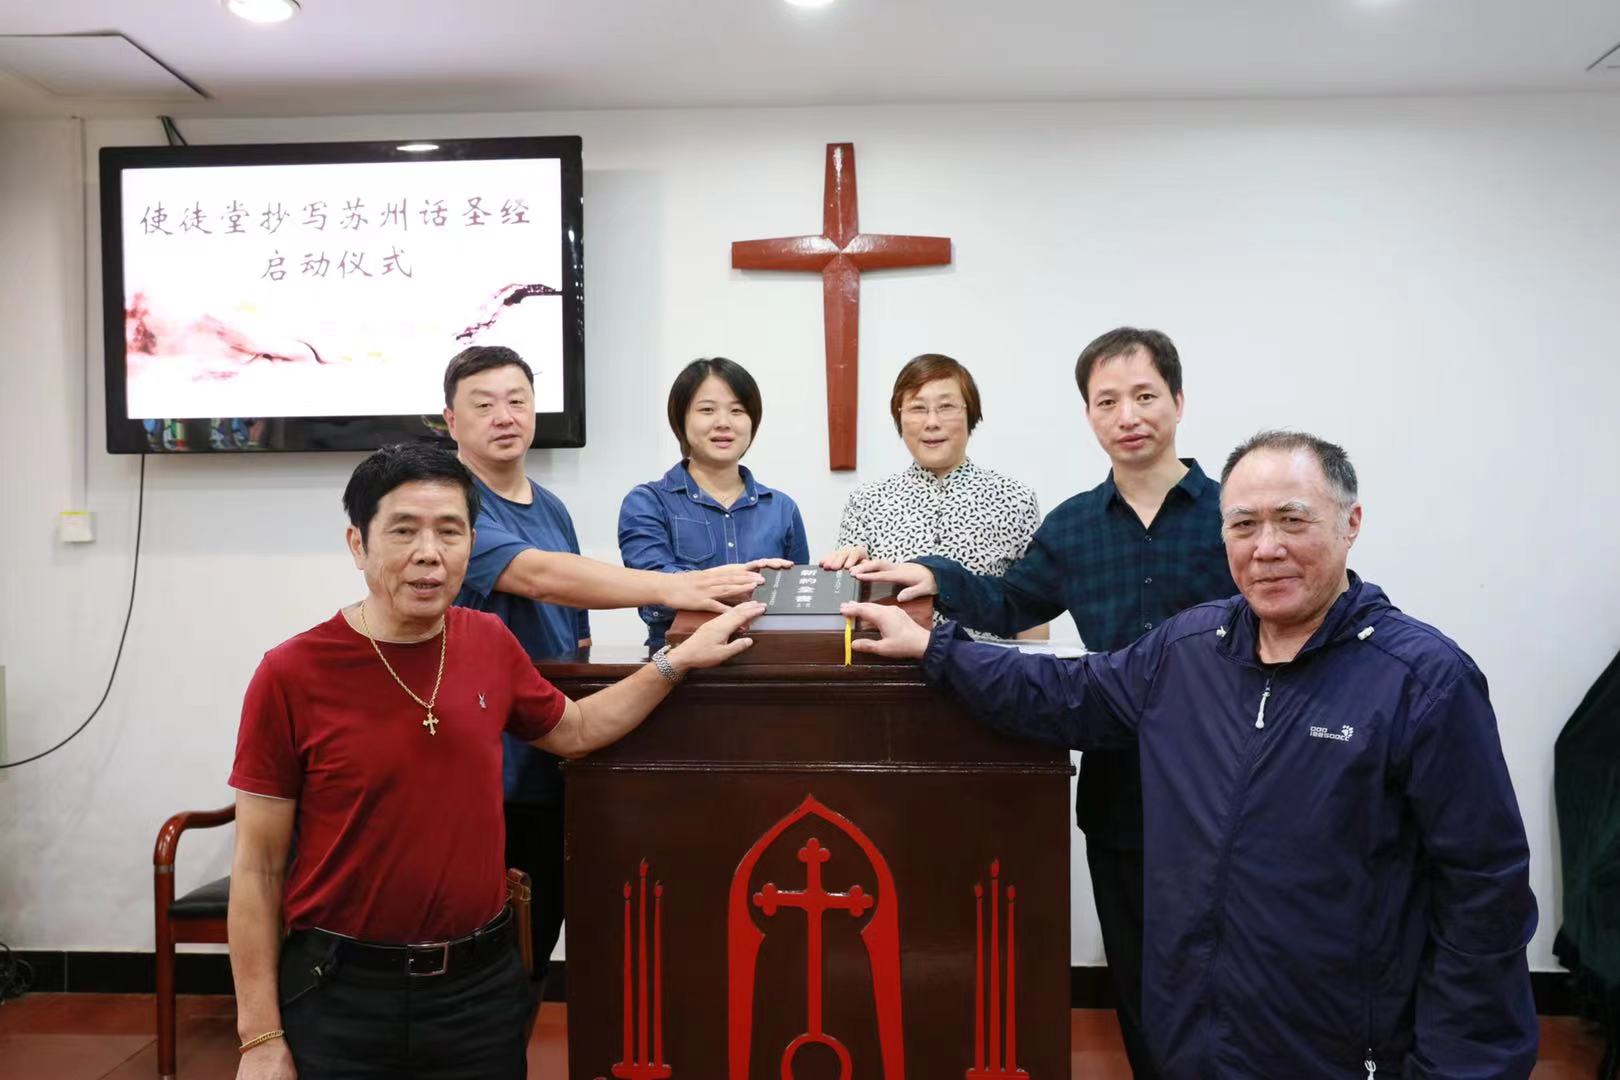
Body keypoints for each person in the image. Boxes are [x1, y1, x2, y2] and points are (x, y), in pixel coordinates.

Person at [847, 431, 1538, 1080]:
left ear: (1350, 523)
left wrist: (1456, 1066)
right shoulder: (1186, 652)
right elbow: (1063, 691)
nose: (1266, 547)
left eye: (1293, 521)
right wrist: (936, 649)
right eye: (1243, 525)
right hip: (1199, 1038)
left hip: (1339, 1049)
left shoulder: (1422, 680)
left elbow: (1484, 891)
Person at [227, 442, 764, 1080]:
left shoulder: (486, 641)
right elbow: (258, 869)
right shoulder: (292, 673)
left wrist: (675, 662)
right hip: (342, 989)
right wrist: (259, 1036)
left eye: (449, 531)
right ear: (357, 544)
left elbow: (577, 728)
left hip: (478, 990)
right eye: (404, 531)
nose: (429, 552)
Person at [855, 327, 1232, 1076]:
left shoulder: (1232, 515)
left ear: (1179, 402)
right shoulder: (1069, 527)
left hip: (1228, 779)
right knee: (1138, 976)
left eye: (1145, 396)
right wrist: (935, 577)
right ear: (1089, 415)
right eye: (1107, 401)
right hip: (1121, 780)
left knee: (1233, 972)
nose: (1128, 415)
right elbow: (1009, 600)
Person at [441, 344, 772, 994]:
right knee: (488, 968)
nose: (504, 416)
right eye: (483, 405)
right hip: (484, 768)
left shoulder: (551, 506)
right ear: (451, 421)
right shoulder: (453, 504)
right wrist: (673, 587)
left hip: (559, 749)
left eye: (517, 400)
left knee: (539, 951)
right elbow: (537, 576)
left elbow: (575, 625)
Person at [817, 353, 1044, 640]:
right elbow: (848, 605)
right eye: (917, 408)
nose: (932, 422)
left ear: (969, 412)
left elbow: (1032, 610)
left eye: (946, 407)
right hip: (891, 673)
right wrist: (845, 569)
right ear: (899, 417)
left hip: (987, 676)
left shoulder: (1016, 499)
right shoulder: (865, 500)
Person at [619, 357, 808, 647]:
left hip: (768, 664)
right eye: (707, 410)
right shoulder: (648, 502)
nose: (723, 423)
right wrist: (741, 586)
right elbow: (653, 591)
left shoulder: (782, 508)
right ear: (681, 419)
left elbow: (797, 602)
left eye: (737, 410)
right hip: (678, 666)